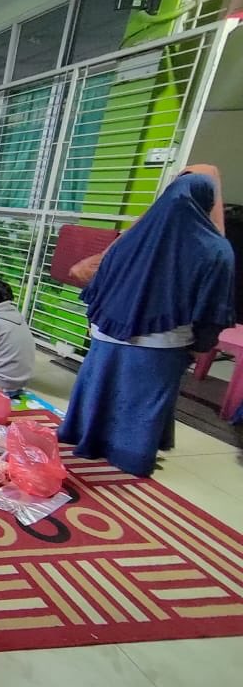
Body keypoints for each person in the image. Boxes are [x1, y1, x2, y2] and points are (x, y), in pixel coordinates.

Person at [59, 172, 235, 477]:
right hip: (163, 341)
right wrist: (200, 346)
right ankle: (130, 457)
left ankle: (86, 440)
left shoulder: (132, 240)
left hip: (107, 334)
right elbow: (212, 307)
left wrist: (100, 321)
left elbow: (100, 281)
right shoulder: (215, 250)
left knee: (99, 389)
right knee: (143, 402)